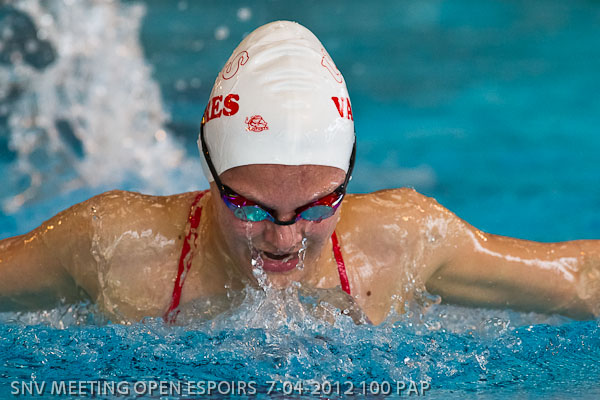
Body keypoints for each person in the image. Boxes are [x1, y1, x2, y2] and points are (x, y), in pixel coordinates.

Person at [0, 21, 598, 325]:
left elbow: (576, 278)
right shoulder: (113, 248)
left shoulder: (403, 241)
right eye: (250, 207)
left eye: (316, 207)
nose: (284, 239)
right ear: (209, 169)